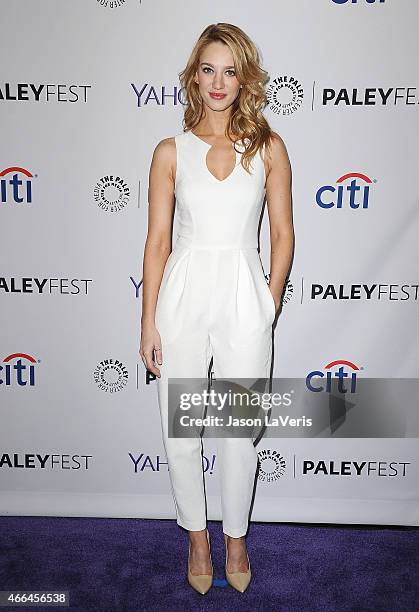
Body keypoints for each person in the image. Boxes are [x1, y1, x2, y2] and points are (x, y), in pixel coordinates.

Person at [140, 22, 293, 594]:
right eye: (208, 69)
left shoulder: (269, 148)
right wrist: (147, 318)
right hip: (182, 294)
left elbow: (283, 235)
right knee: (181, 429)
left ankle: (235, 536)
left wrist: (265, 303)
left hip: (242, 296)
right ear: (193, 77)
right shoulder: (168, 152)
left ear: (244, 77)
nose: (219, 82)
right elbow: (157, 241)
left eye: (230, 70)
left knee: (238, 428)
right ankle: (197, 536)